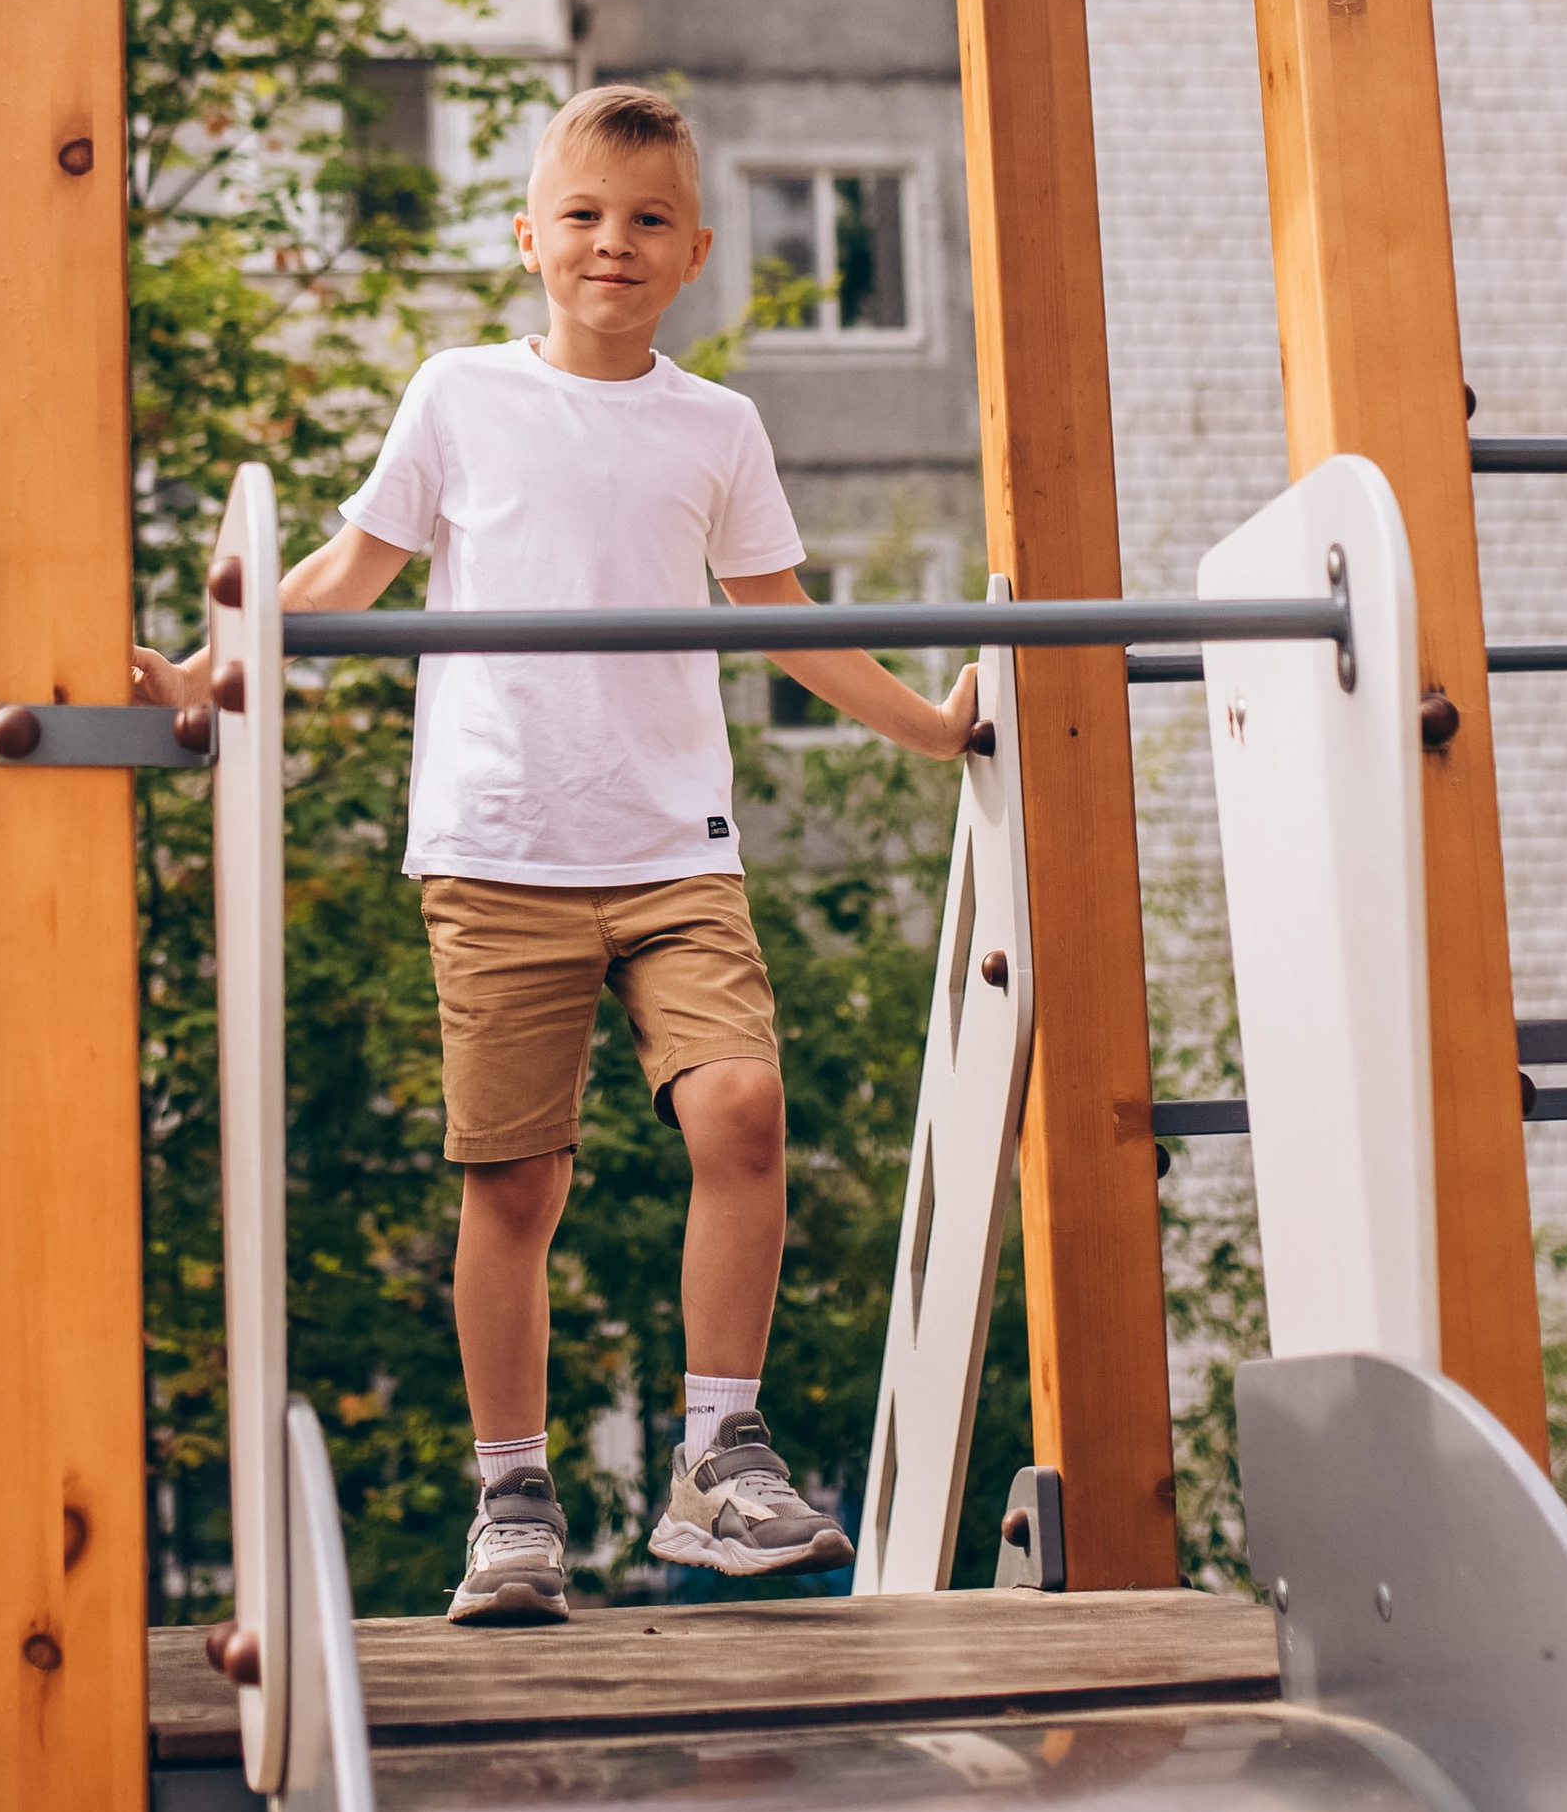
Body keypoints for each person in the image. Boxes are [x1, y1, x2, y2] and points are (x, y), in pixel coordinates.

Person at [133, 80, 978, 1627]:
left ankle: (720, 1456)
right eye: (584, 216)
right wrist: (206, 675)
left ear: (696, 251)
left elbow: (782, 620)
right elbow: (350, 571)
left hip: (672, 849)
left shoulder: (717, 426)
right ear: (530, 238)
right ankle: (512, 1499)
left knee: (741, 1109)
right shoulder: (459, 396)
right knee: (516, 1183)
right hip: (503, 843)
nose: (614, 242)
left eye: (649, 220)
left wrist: (933, 727)